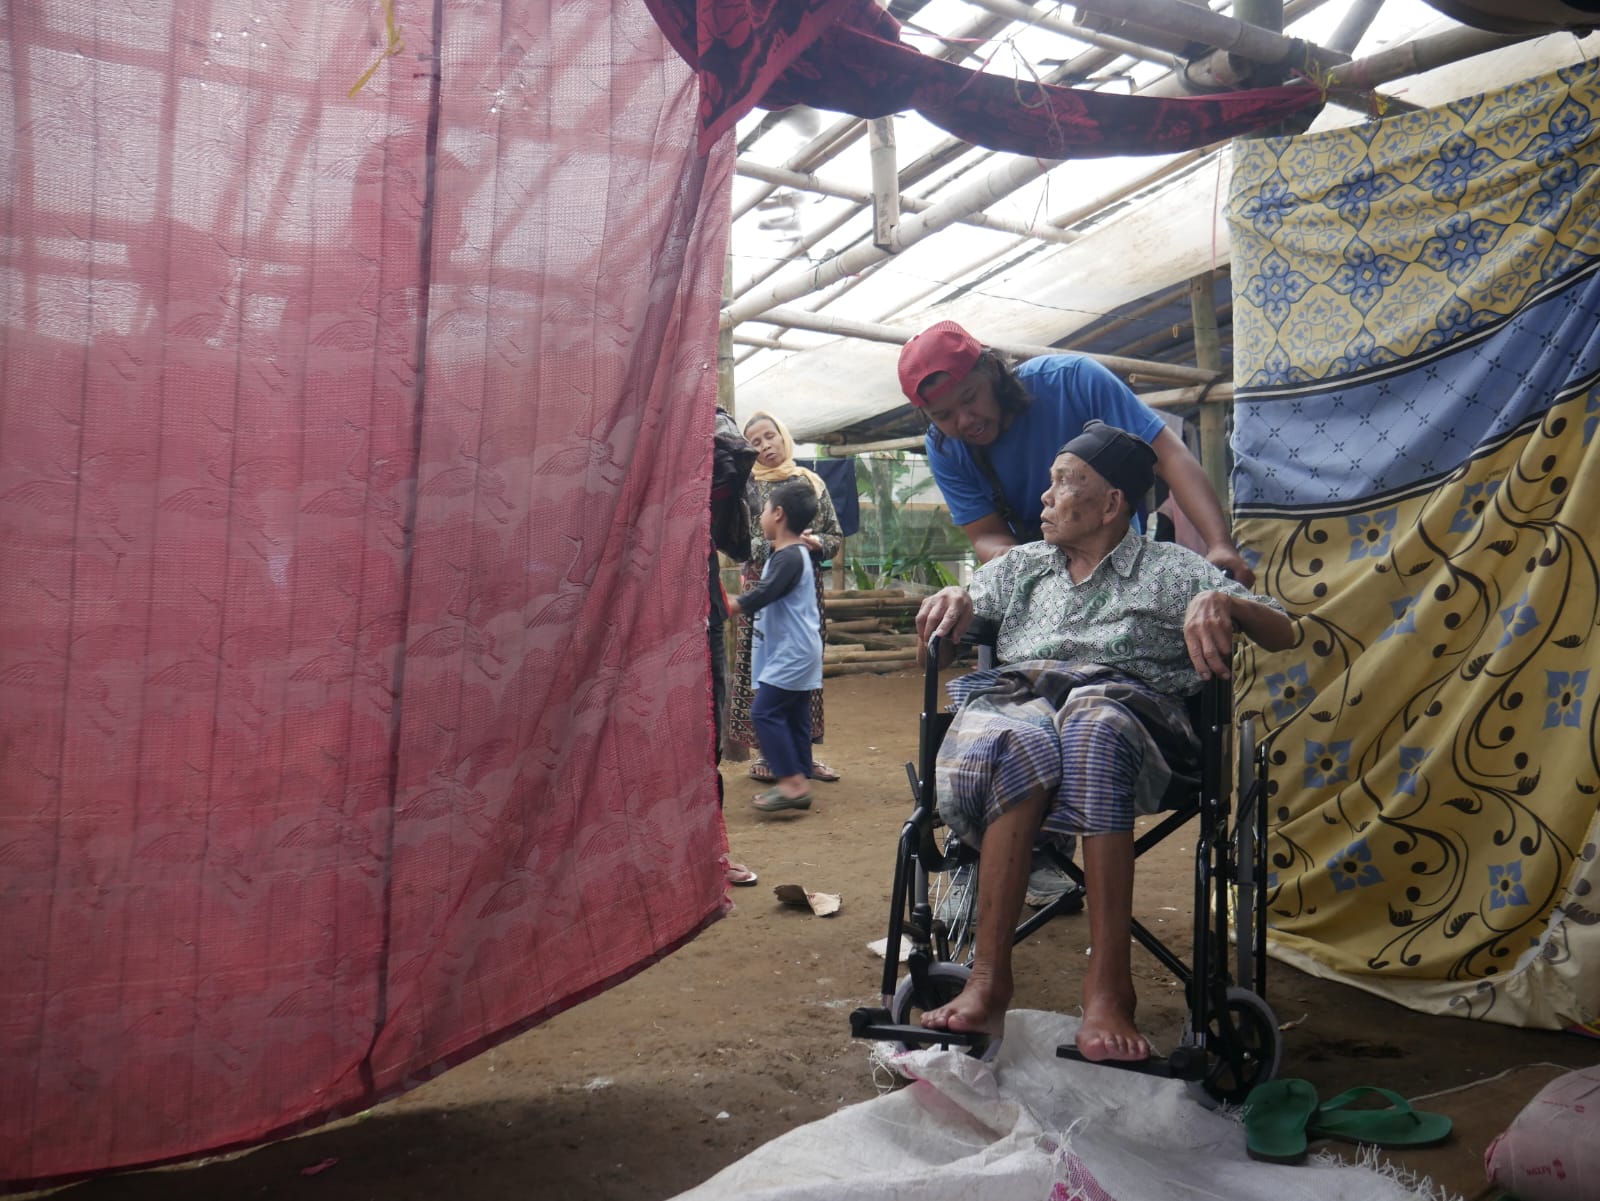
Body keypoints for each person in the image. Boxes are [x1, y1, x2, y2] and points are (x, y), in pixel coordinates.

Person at [913, 421, 1294, 1062]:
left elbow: (1283, 630)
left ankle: (1110, 990)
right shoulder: (1023, 567)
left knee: (1093, 720)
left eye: (1065, 482)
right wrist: (955, 594)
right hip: (1023, 714)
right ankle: (987, 980)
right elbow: (966, 609)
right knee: (1017, 733)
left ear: (1113, 502)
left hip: (1132, 729)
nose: (1045, 497)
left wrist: (1225, 605)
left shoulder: (1172, 569)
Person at [897, 320, 1255, 586]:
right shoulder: (944, 447)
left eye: (969, 398)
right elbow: (986, 535)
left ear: (991, 370)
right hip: (1036, 581)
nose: (964, 421)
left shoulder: (1074, 381)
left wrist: (1219, 544)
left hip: (1117, 565)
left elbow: (1170, 457)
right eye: (943, 416)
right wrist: (1040, 566)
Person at [727, 411, 845, 784]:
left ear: (783, 436)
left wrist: (815, 543)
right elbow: (742, 544)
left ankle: (802, 756)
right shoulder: (745, 487)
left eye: (769, 437)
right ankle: (768, 754)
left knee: (800, 669)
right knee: (760, 669)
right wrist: (786, 543)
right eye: (756, 442)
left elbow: (835, 538)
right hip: (760, 590)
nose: (765, 447)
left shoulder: (810, 483)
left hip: (804, 591)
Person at [727, 479, 825, 813]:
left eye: (766, 509)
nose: (762, 516)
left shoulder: (789, 557)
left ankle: (791, 784)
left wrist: (733, 604)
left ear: (779, 514)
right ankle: (801, 779)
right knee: (795, 715)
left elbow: (765, 594)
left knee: (765, 711)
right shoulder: (791, 554)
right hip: (799, 650)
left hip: (792, 652)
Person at [709, 405, 760, 885]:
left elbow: (731, 456)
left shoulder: (707, 419)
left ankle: (707, 851)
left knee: (704, 722)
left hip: (691, 587)